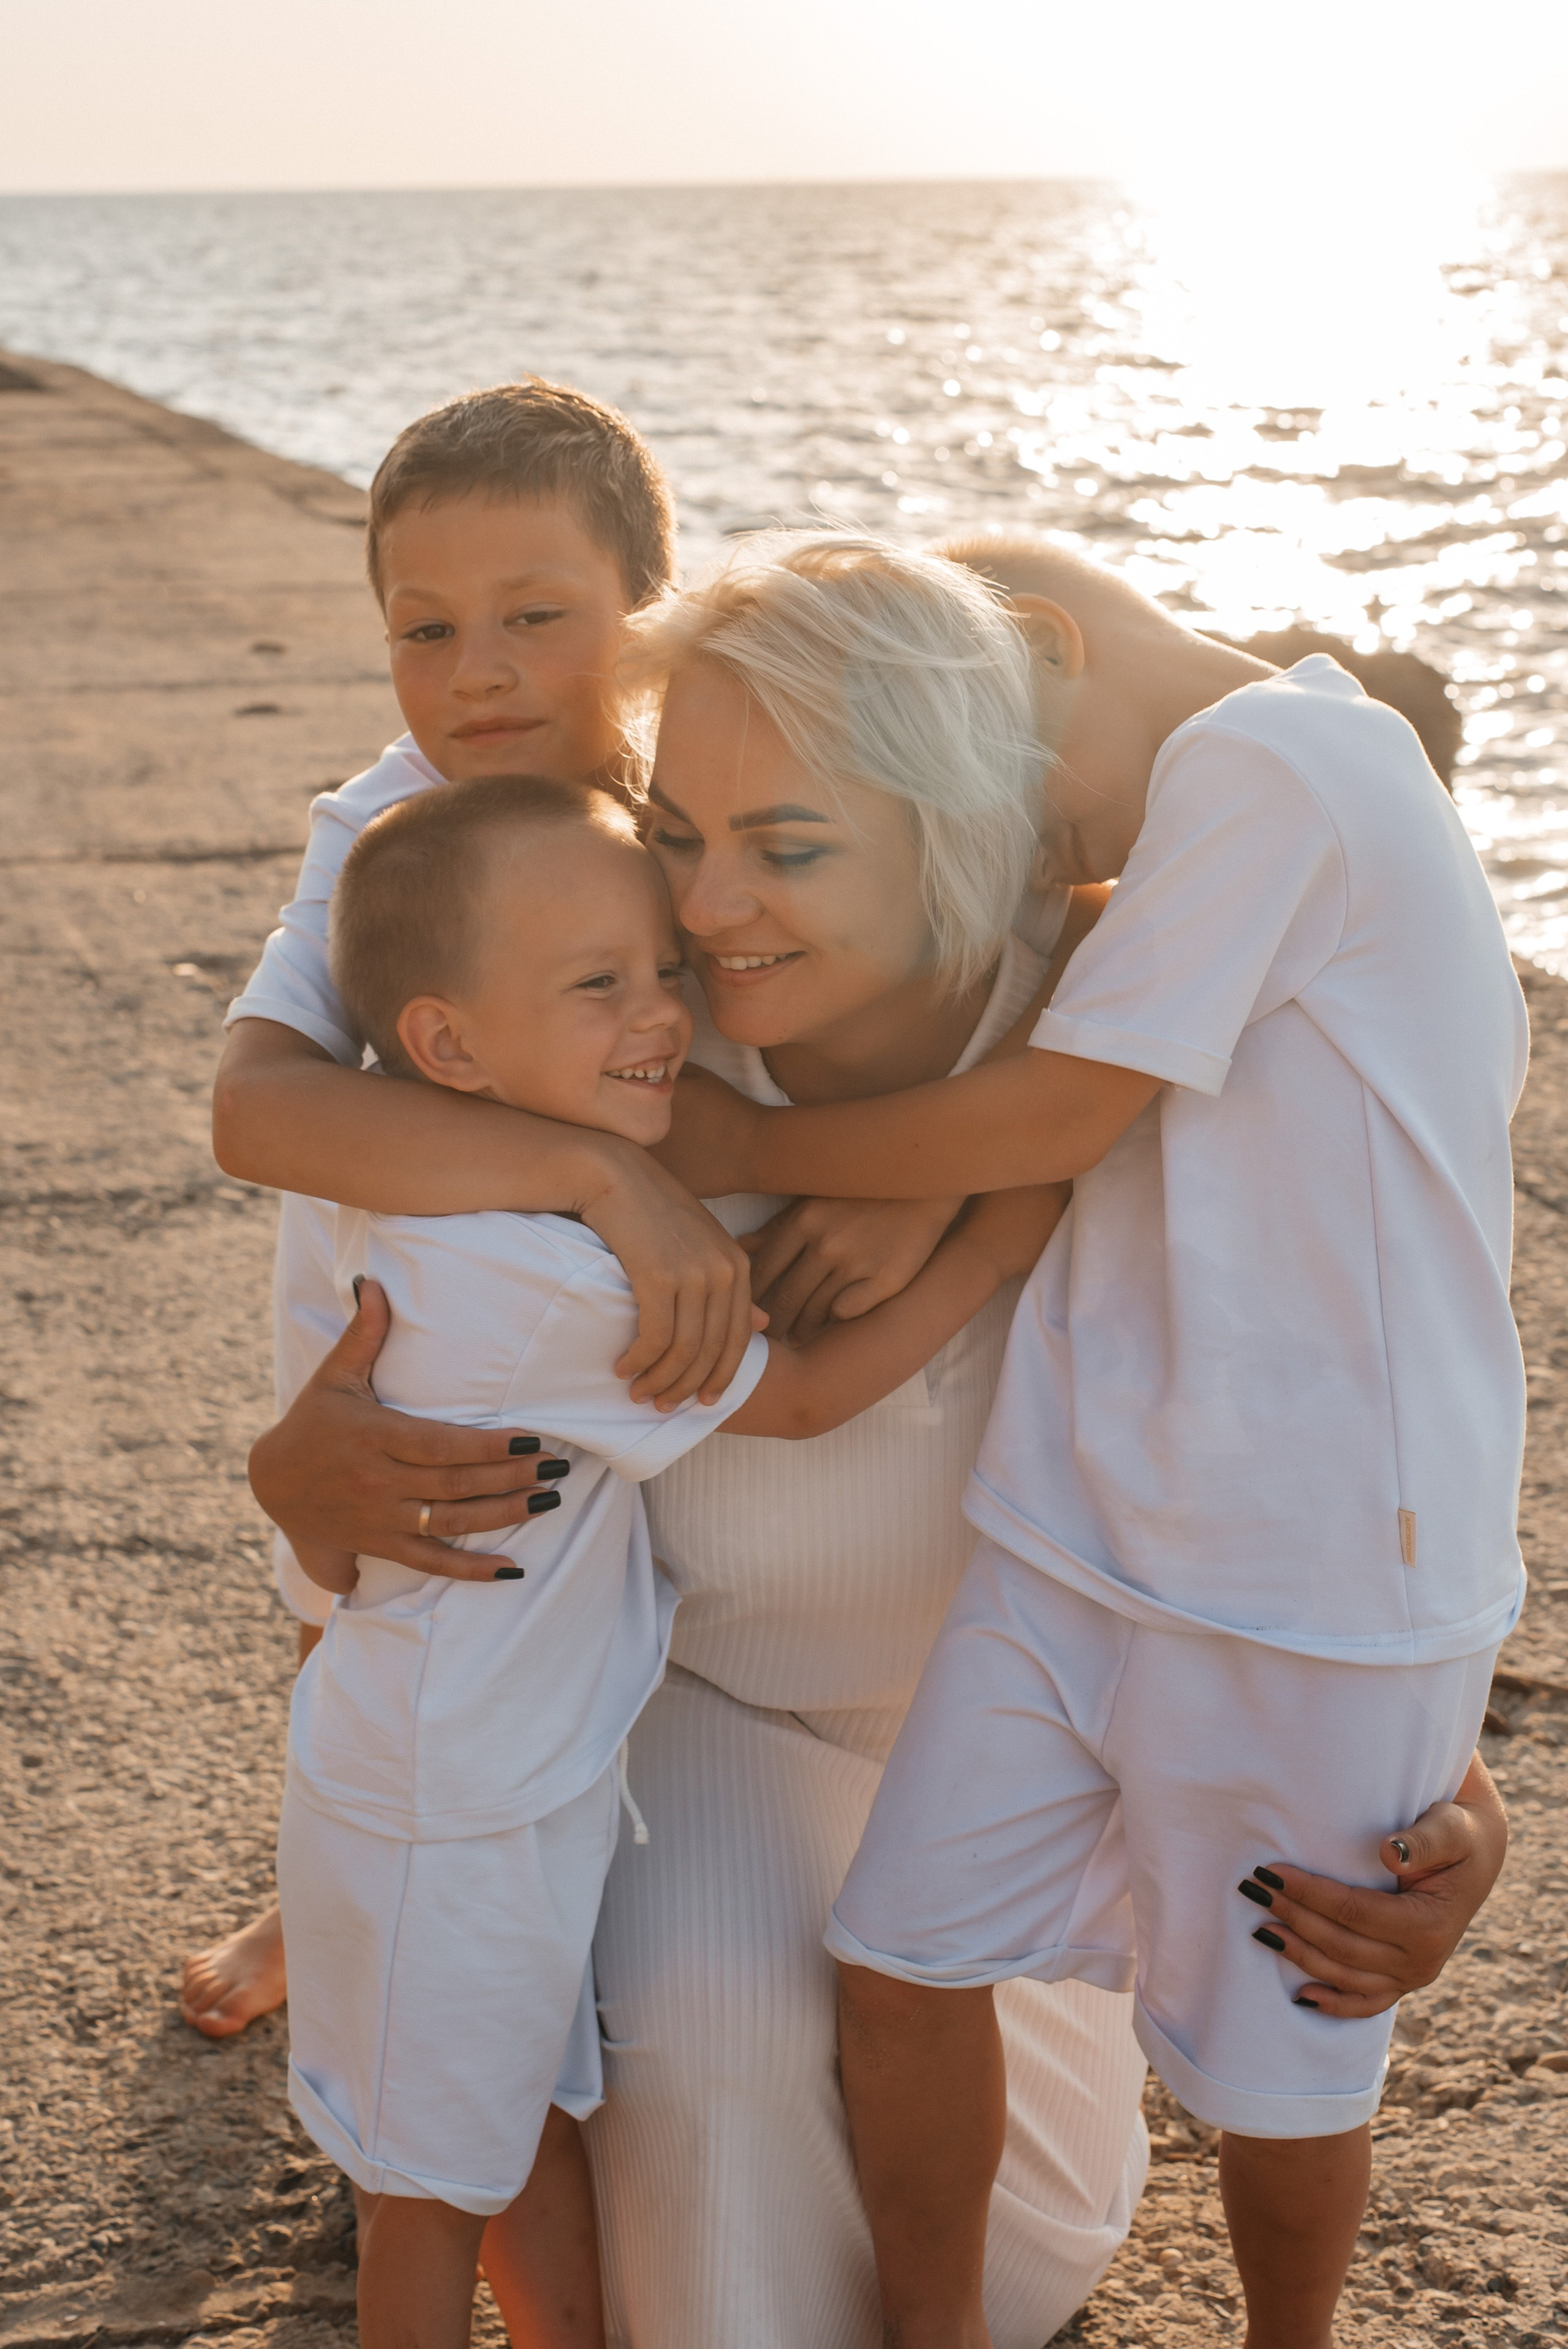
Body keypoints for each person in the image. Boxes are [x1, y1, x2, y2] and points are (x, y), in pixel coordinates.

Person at [243, 532, 1509, 2349]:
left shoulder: (1130, 1036)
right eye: (680, 834)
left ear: (952, 816)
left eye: (793, 845)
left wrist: (1440, 1786)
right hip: (698, 1726)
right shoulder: (596, 1049)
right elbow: (347, 1276)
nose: (715, 907)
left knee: (998, 2250)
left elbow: (1347, 1400)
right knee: (707, 2123)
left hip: (1032, 1758)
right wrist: (300, 1478)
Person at [655, 531, 1528, 2349]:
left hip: (1310, 1567)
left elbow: (1061, 1102)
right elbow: (1076, 1062)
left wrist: (750, 1155)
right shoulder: (1188, 845)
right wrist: (932, 1184)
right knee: (900, 1956)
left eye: (1008, 800)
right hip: (1082, 1521)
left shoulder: (1289, 758)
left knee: (1286, 2063)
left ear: (1045, 649)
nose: (1020, 865)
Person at [284, 771, 1058, 2349]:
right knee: (430, 2194)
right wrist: (987, 1237)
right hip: (466, 1790)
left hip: (457, 1751)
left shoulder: (444, 1204)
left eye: (661, 970)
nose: (661, 1014)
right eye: (600, 986)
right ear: (448, 1048)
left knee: (495, 2129)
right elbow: (807, 1394)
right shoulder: (550, 1280)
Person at [184, 375, 758, 2039]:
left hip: (641, 1297)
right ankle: (326, 1871)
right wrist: (601, 1173)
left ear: (652, 610)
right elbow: (256, 1107)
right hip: (414, 1302)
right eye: (423, 630)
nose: (477, 672)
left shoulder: (713, 786)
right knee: (376, 1590)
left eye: (535, 616)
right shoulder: (391, 825)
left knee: (582, 1592)